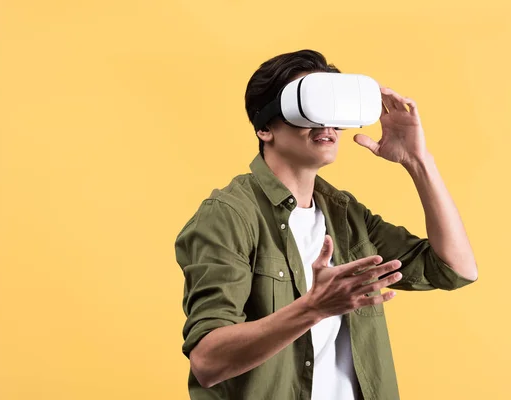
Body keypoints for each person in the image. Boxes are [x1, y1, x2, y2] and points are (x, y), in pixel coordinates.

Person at [174, 49, 478, 400]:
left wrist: (419, 161)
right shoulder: (229, 215)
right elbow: (208, 361)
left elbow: (456, 269)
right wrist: (314, 307)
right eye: (309, 107)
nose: (326, 124)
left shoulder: (344, 214)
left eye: (331, 109)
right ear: (264, 127)